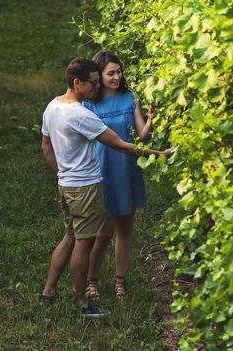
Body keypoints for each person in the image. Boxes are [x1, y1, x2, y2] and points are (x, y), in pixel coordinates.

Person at [39, 57, 169, 318]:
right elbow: (122, 145)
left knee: (71, 237)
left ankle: (49, 291)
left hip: (66, 184)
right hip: (85, 186)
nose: (97, 86)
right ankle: (82, 303)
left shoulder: (53, 106)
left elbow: (46, 146)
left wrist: (61, 175)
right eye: (93, 82)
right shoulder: (82, 114)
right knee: (84, 244)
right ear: (77, 83)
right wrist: (158, 153)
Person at [83, 50, 156, 301]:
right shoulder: (88, 103)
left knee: (126, 228)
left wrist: (150, 119)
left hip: (126, 168)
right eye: (110, 73)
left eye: (119, 71)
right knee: (103, 233)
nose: (116, 77)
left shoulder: (128, 97)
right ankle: (91, 280)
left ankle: (119, 282)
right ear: (99, 76)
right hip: (101, 170)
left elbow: (142, 136)